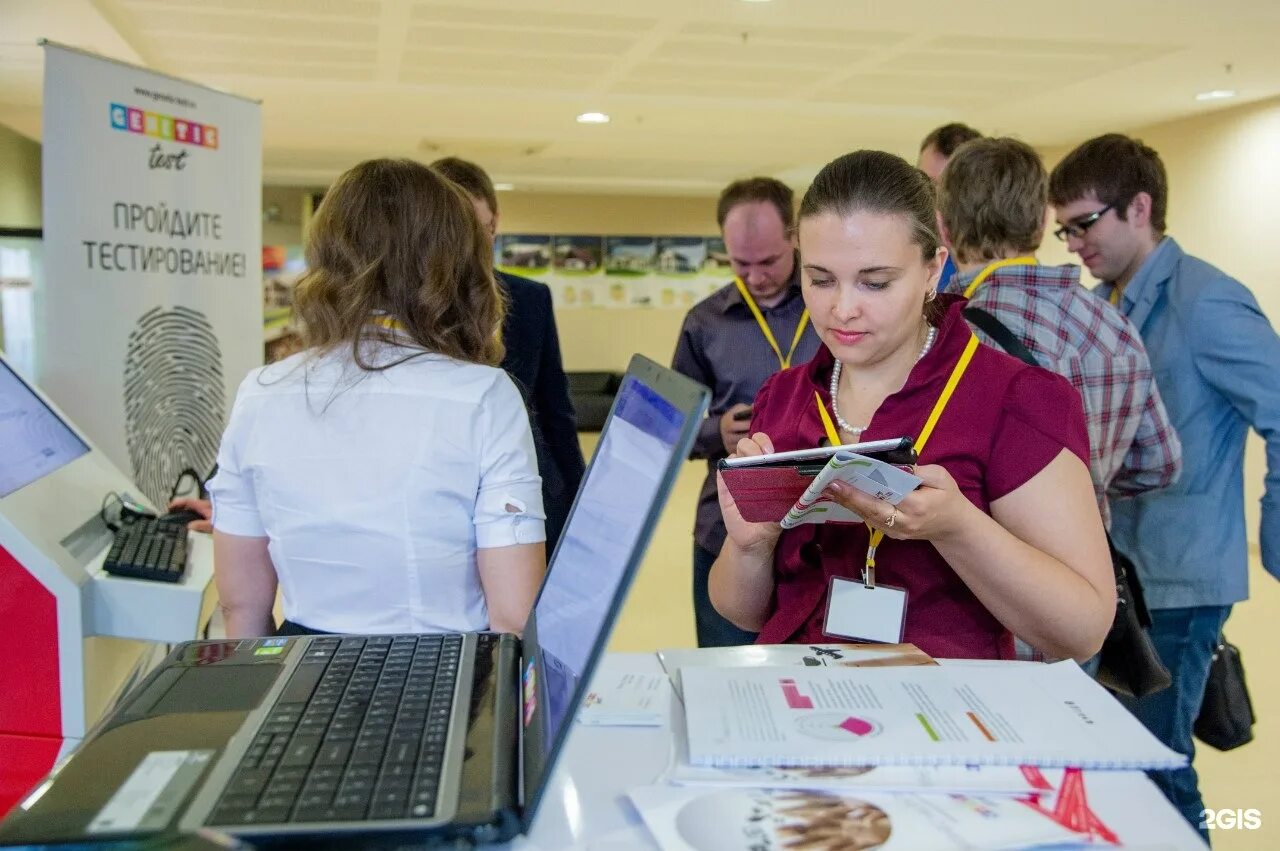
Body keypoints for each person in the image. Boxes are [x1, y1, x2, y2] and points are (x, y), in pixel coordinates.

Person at [709, 150, 1114, 662]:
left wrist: (959, 529)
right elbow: (742, 611)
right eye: (820, 279)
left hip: (945, 718)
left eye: (875, 283)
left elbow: (1081, 632)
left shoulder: (1011, 398)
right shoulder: (786, 396)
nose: (843, 309)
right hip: (798, 710)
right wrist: (750, 546)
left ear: (933, 269)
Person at [207, 158, 546, 639]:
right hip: (445, 673)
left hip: (304, 672)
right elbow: (513, 617)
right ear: (455, 261)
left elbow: (241, 607)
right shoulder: (484, 396)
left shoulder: (260, 393)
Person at [1050, 133, 1280, 835]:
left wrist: (1273, 536)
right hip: (1119, 579)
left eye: (1084, 224)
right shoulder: (1104, 304)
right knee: (1121, 764)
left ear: (1139, 206)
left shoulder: (1207, 301)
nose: (1074, 244)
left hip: (1181, 585)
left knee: (1154, 764)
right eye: (1064, 231)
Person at [937, 136, 1181, 530]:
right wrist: (1088, 487)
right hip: (1088, 571)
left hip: (988, 571)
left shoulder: (951, 334)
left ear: (943, 228)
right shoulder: (1113, 322)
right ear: (1041, 222)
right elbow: (1158, 463)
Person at [672, 177, 822, 647]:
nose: (755, 277)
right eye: (741, 263)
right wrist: (716, 429)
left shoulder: (831, 306)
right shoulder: (704, 322)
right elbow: (674, 430)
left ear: (794, 238)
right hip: (727, 528)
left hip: (822, 524)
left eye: (769, 261)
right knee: (724, 680)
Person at [431, 156, 585, 555]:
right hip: (447, 507)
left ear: (495, 222)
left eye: (481, 231)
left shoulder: (531, 300)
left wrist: (580, 506)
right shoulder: (413, 311)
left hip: (531, 499)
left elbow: (555, 411)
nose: (471, 248)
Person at [917, 123, 982, 292]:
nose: (936, 198)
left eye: (950, 188)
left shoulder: (999, 260)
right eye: (928, 182)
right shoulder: (903, 250)